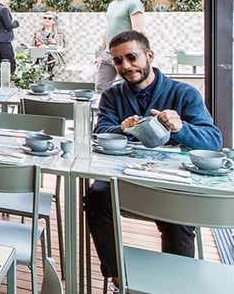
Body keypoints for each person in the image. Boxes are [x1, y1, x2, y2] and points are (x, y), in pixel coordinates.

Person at [83, 30, 222, 286]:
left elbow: (213, 141)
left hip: (170, 183)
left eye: (131, 57)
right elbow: (100, 131)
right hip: (125, 180)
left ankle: (177, 284)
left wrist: (181, 128)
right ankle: (119, 278)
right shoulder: (113, 95)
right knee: (96, 197)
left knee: (178, 218)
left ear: (149, 56)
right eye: (118, 61)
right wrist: (122, 128)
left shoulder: (183, 93)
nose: (125, 66)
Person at [96, 0, 144, 92]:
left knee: (128, 89)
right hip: (108, 54)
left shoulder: (133, 3)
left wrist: (132, 56)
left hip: (124, 55)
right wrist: (101, 53)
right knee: (100, 88)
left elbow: (137, 32)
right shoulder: (112, 5)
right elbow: (108, 29)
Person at [33, 11, 66, 77]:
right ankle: (35, 66)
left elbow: (61, 47)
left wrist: (55, 43)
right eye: (45, 18)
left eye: (49, 18)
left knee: (44, 51)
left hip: (53, 55)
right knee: (40, 49)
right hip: (40, 55)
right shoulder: (38, 32)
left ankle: (46, 74)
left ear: (53, 21)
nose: (47, 20)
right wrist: (37, 40)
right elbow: (34, 46)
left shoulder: (58, 33)